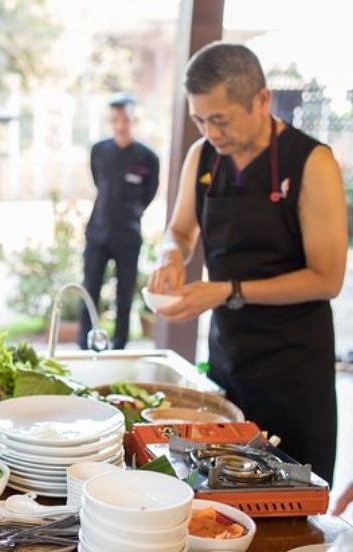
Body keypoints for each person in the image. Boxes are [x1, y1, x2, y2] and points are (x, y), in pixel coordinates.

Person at [148, 42, 347, 485]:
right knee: (222, 490)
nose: (211, 132)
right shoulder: (203, 156)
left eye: (220, 119)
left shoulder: (311, 162)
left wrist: (227, 291)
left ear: (262, 100)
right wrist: (170, 258)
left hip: (294, 370)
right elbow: (179, 231)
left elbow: (327, 278)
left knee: (292, 499)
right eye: (201, 120)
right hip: (228, 359)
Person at [79, 94, 159, 350]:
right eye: (116, 120)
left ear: (134, 120)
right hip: (98, 233)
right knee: (89, 291)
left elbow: (149, 194)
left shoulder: (148, 157)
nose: (121, 125)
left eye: (125, 119)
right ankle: (85, 346)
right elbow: (97, 183)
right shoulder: (99, 151)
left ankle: (119, 347)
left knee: (124, 297)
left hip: (128, 236)